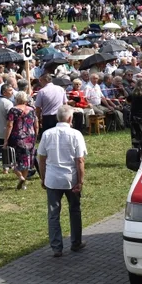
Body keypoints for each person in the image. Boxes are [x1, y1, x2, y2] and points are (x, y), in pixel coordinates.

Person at [37, 104, 87, 257]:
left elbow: (42, 158)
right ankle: (76, 242)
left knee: (53, 213)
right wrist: (81, 180)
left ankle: (56, 247)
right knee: (74, 210)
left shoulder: (47, 134)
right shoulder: (76, 134)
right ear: (70, 118)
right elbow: (80, 160)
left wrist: (43, 177)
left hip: (52, 179)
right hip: (70, 178)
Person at [4, 91, 38, 190]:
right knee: (27, 160)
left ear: (17, 99)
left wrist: (6, 140)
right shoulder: (31, 109)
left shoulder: (13, 110)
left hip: (17, 136)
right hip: (30, 137)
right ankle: (24, 184)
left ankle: (20, 177)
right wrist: (35, 135)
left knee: (13, 159)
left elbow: (10, 125)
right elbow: (36, 124)